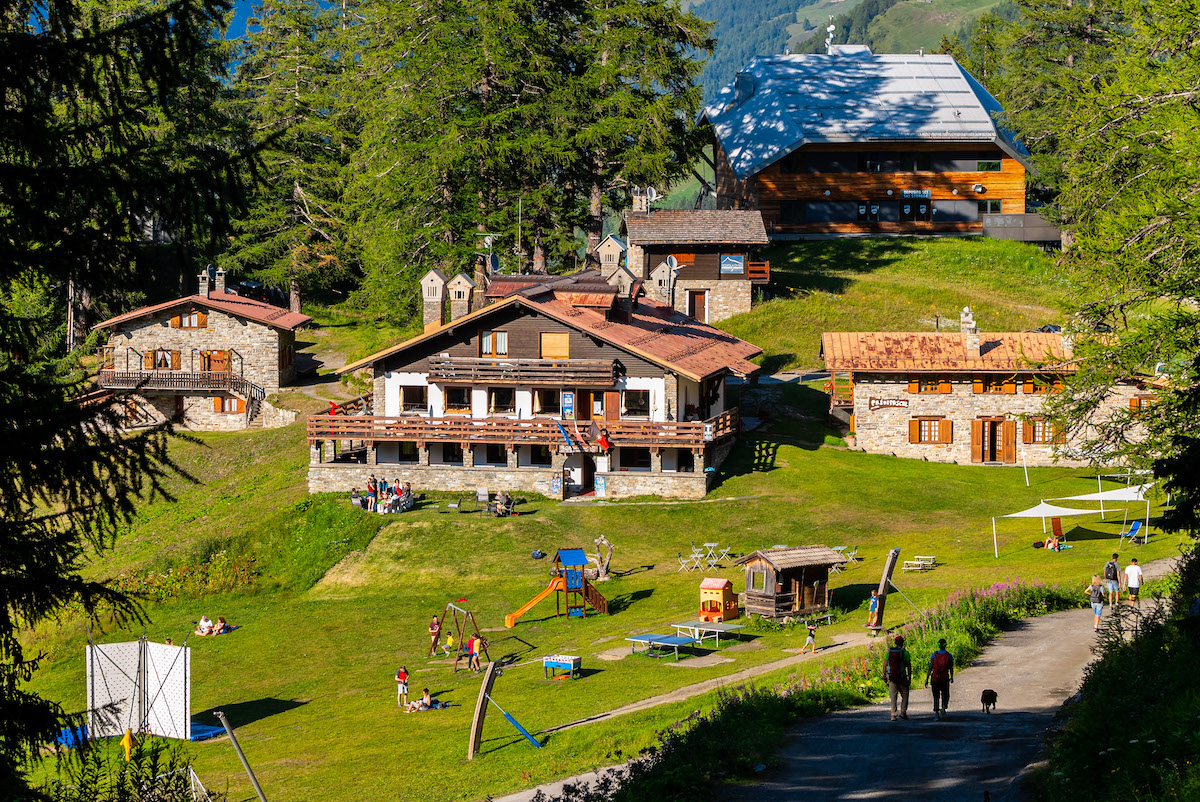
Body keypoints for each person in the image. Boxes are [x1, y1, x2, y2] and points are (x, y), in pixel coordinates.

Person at [924, 638, 955, 720]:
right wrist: (951, 677)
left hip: (935, 678)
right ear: (946, 645)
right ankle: (944, 708)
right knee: (945, 694)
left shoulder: (934, 655)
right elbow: (951, 668)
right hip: (944, 678)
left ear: (938, 645)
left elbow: (930, 667)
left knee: (936, 696)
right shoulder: (949, 655)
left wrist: (927, 678)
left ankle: (937, 713)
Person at [885, 635, 912, 721]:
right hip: (902, 677)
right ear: (902, 643)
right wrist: (909, 678)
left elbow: (884, 665)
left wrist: (884, 675)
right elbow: (908, 666)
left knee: (893, 696)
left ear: (895, 643)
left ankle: (893, 714)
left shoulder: (889, 652)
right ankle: (903, 712)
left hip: (892, 677)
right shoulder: (905, 653)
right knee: (905, 695)